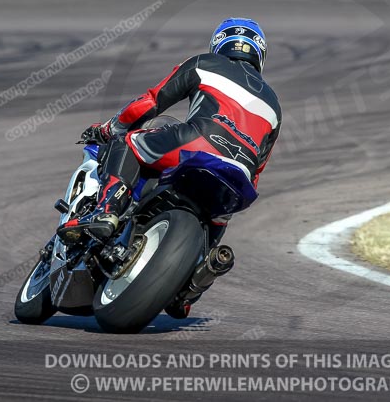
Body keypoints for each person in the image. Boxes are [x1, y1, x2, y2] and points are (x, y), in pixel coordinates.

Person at [58, 17, 281, 246]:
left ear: (218, 45)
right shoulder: (274, 103)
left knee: (126, 143)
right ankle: (204, 263)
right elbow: (258, 168)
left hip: (196, 143)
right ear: (260, 55)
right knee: (217, 222)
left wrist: (110, 128)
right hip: (240, 172)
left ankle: (106, 211)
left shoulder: (205, 63)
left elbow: (152, 102)